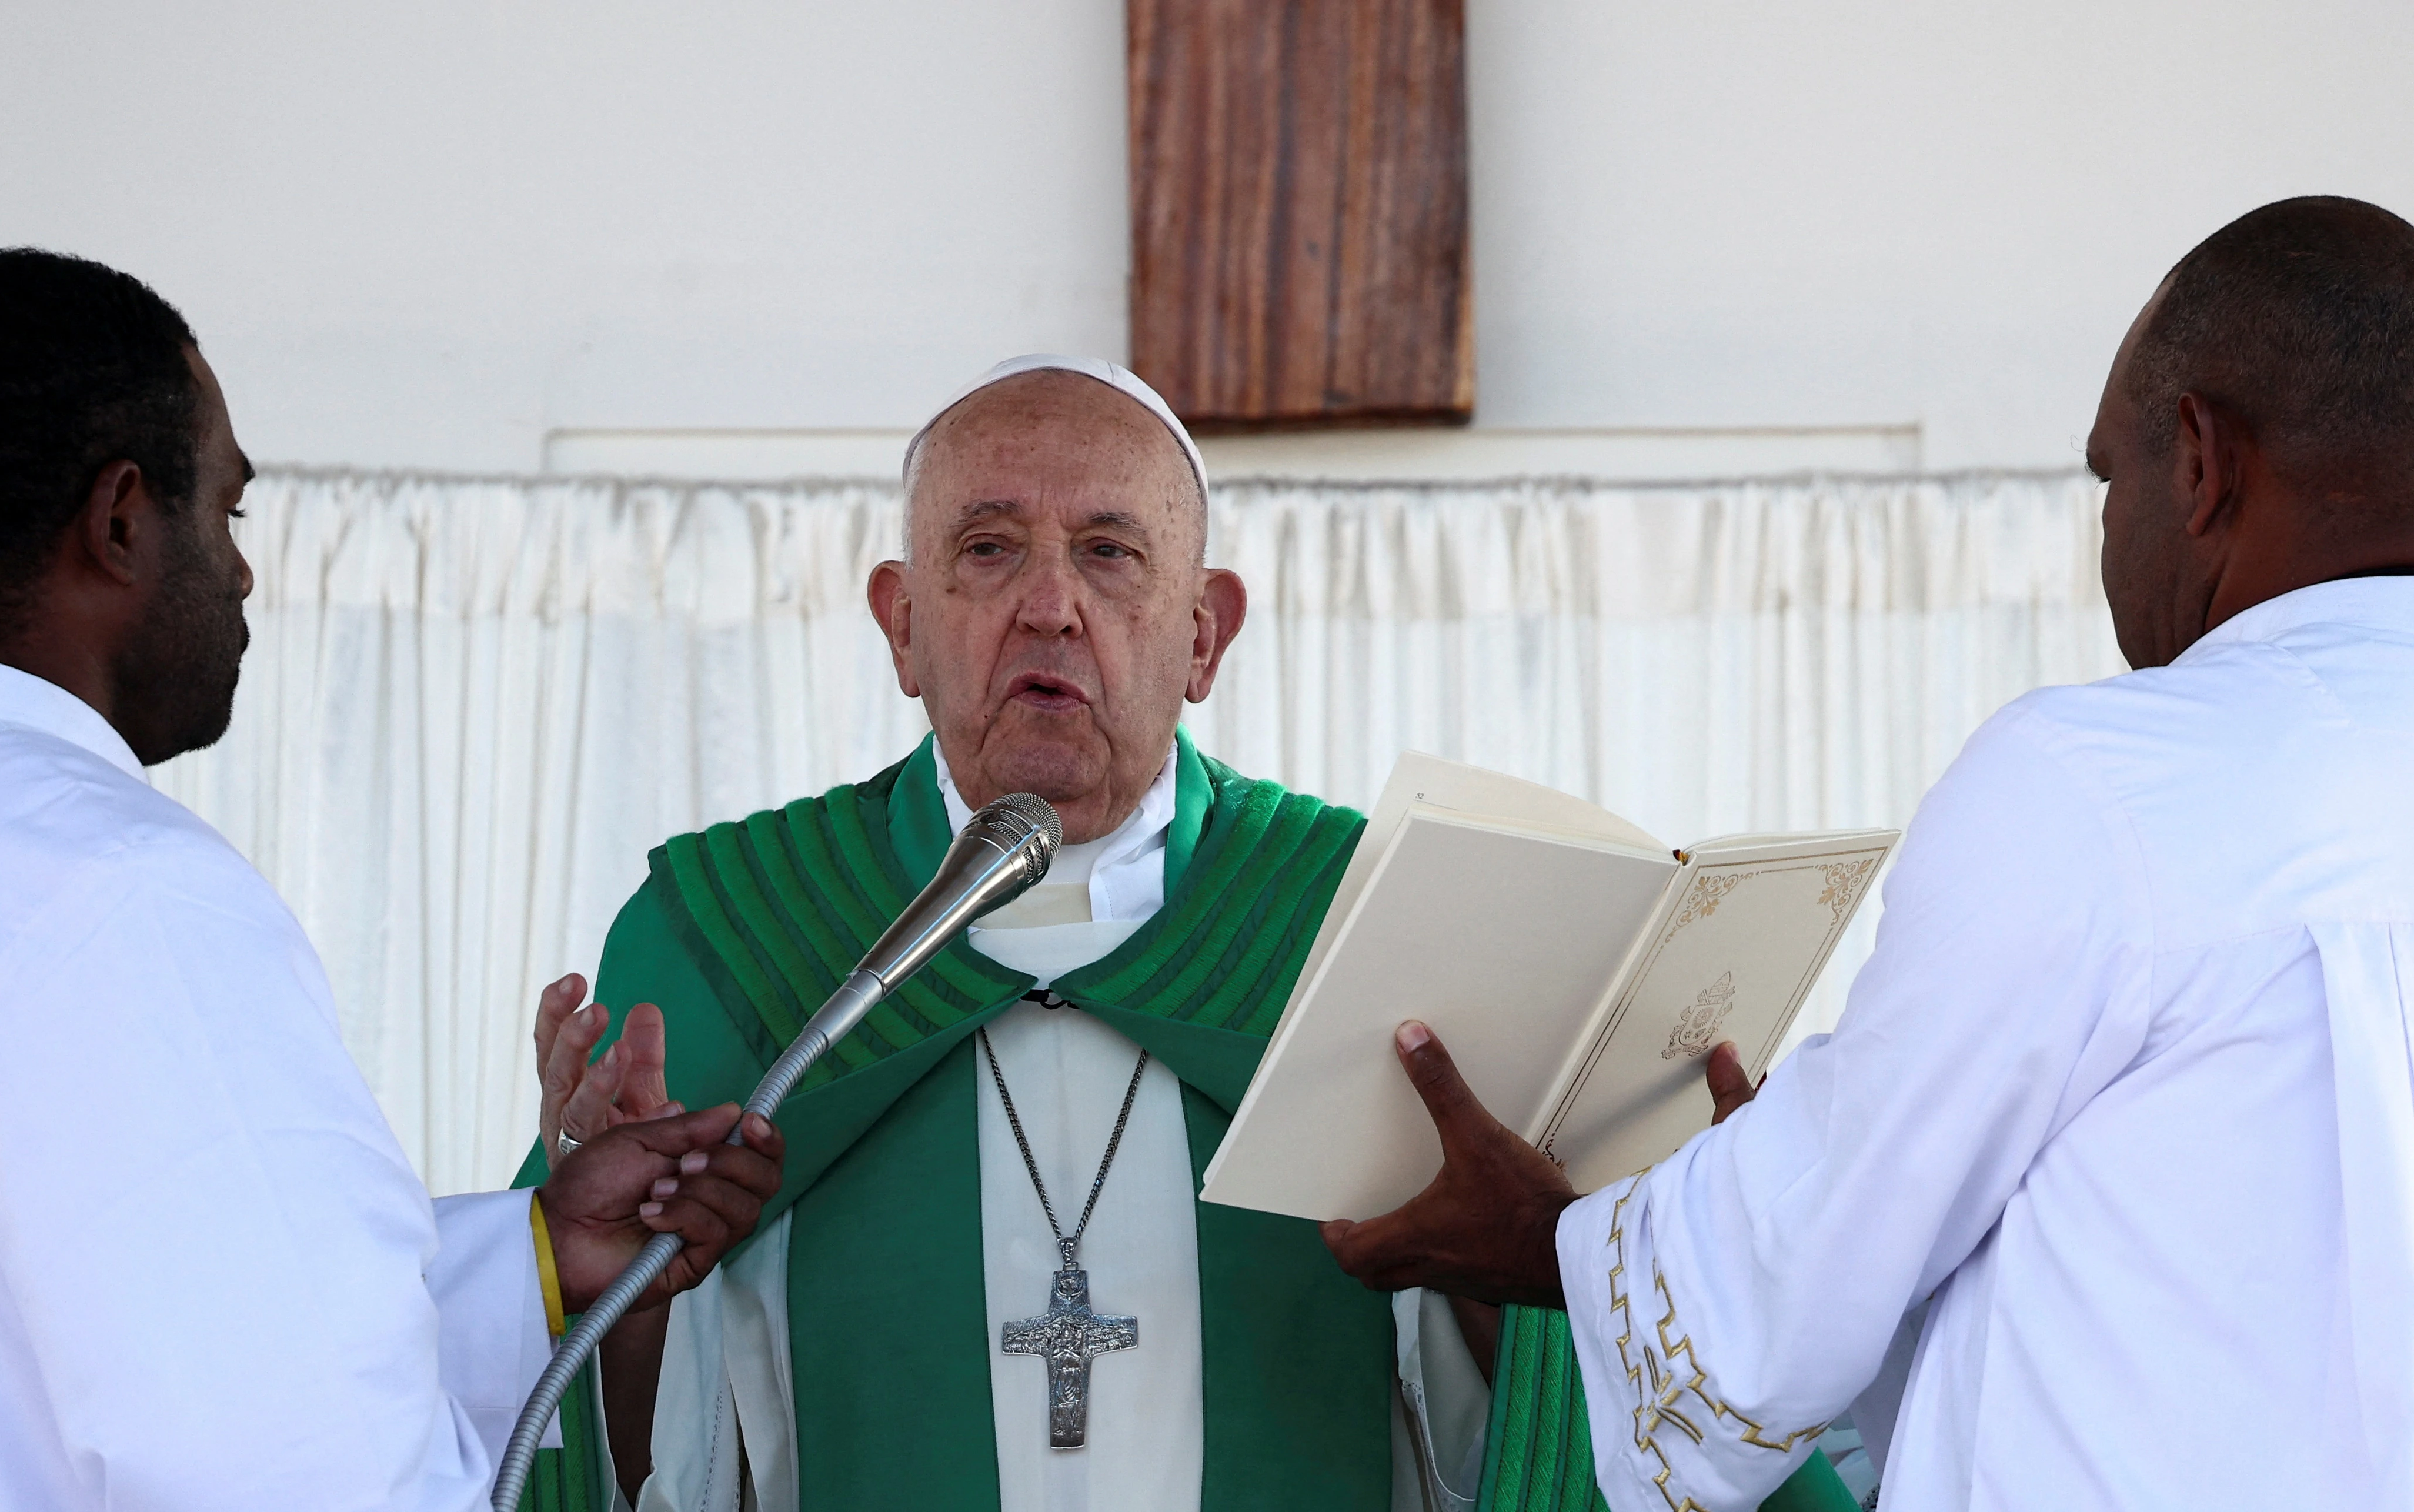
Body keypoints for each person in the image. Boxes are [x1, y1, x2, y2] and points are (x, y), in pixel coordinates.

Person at [519, 356, 1855, 1511]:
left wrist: (1523, 1267)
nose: (1050, 605)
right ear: (902, 624)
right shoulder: (736, 932)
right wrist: (624, 1300)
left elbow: (1555, 1399)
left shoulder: (1366, 918)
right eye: (986, 549)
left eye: (1109, 552)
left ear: (1203, 633)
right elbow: (572, 1424)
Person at [1323, 195, 2414, 1508]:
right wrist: (1794, 1168)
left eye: (2105, 476)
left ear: (2198, 464)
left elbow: (1802, 1276)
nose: (2106, 525)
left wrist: (1552, 1238)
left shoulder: (2102, 784)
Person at [0, 248, 783, 1511]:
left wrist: (539, 1258)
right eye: (226, 514)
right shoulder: (114, 881)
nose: (240, 572)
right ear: (122, 522)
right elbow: (302, 1456)